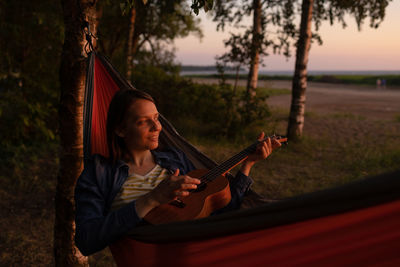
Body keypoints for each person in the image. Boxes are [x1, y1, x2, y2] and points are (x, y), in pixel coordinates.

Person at [74, 89, 282, 256]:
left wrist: (247, 165)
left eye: (156, 118)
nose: (157, 127)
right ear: (120, 130)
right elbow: (87, 241)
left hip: (198, 252)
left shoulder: (174, 158)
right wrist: (153, 198)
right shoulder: (99, 173)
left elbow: (216, 211)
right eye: (143, 121)